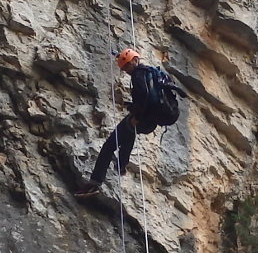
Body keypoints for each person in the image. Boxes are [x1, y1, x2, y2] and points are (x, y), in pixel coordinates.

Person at [77, 47, 183, 197]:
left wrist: (137, 117)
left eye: (127, 65)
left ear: (134, 60)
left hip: (144, 118)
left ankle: (95, 183)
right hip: (152, 120)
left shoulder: (138, 75)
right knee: (128, 132)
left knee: (109, 145)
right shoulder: (150, 71)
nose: (126, 69)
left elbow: (146, 97)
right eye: (124, 67)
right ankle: (121, 165)